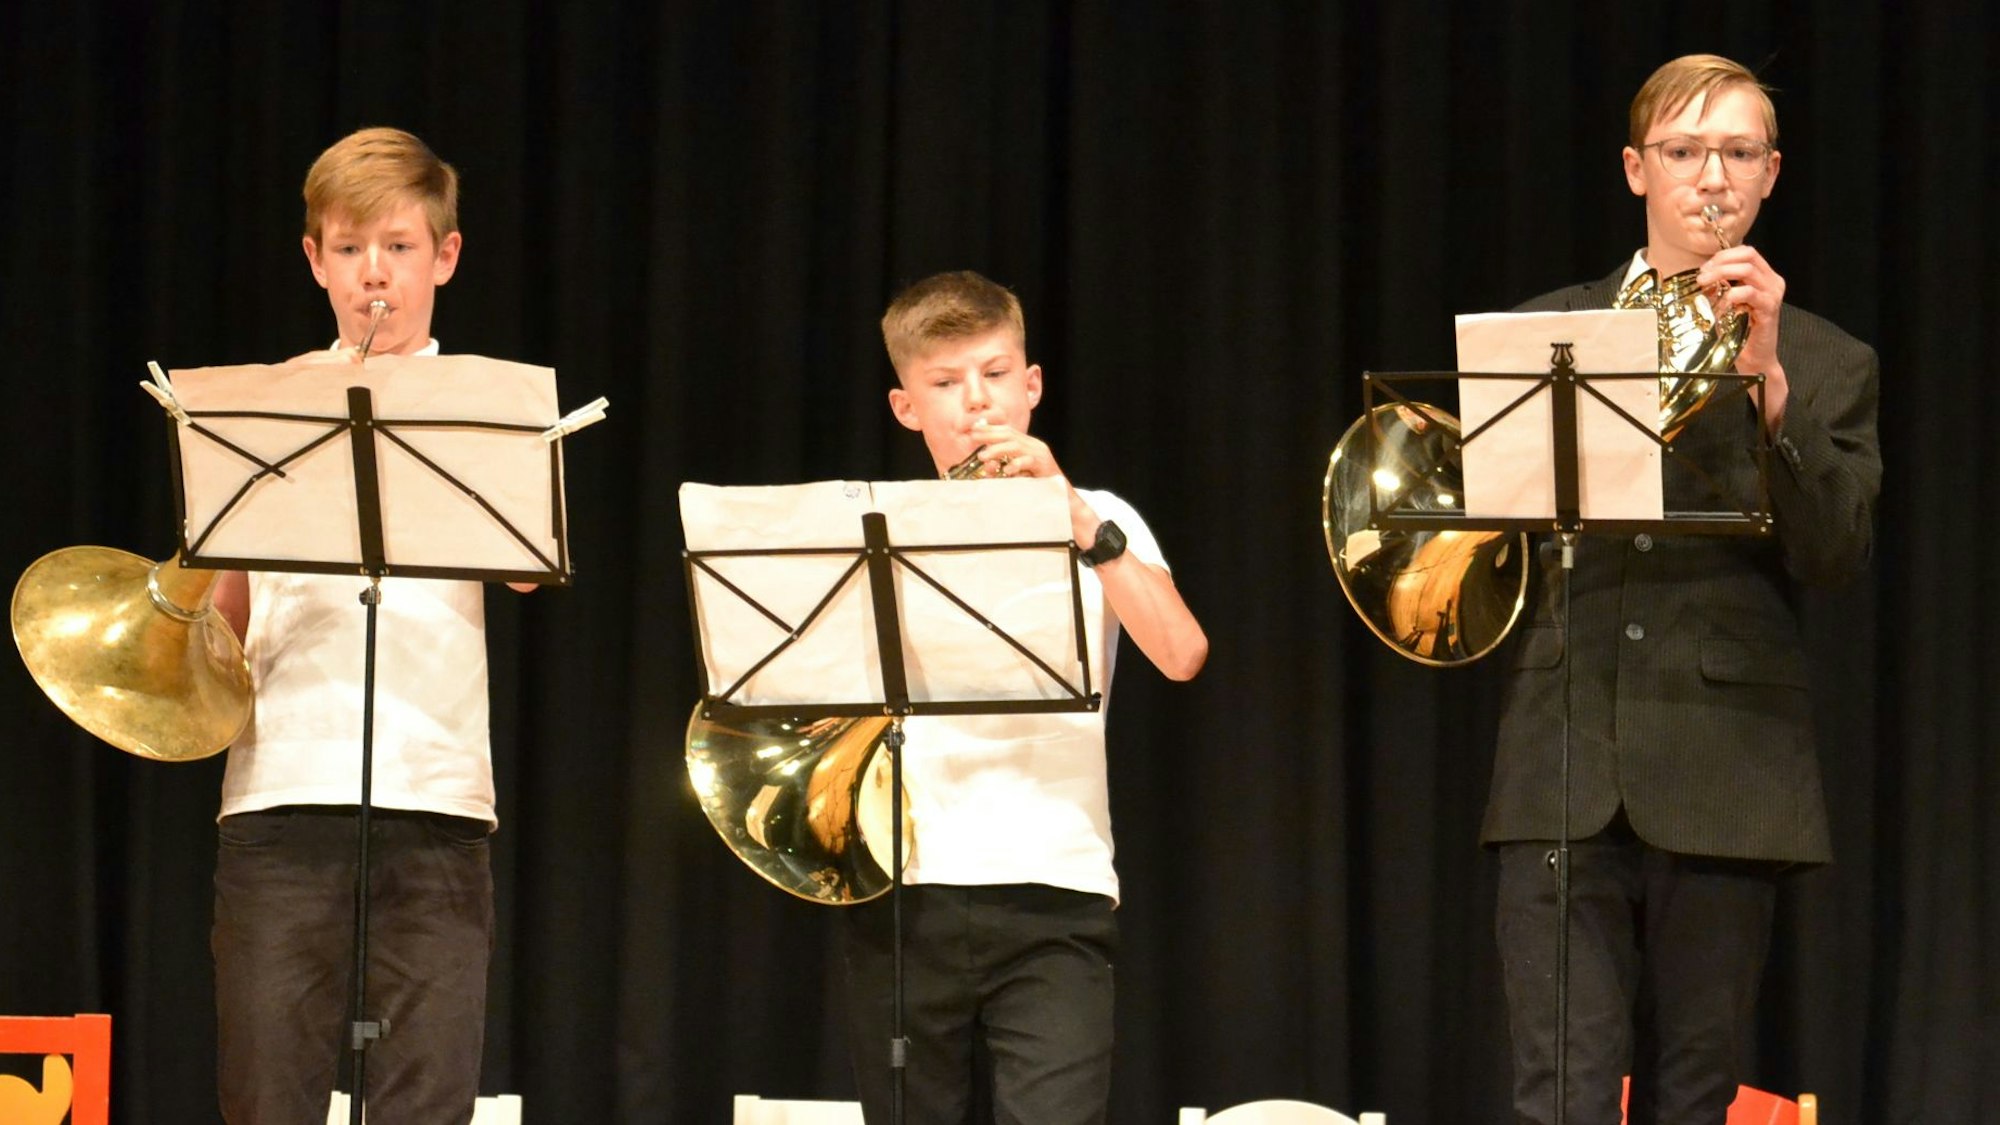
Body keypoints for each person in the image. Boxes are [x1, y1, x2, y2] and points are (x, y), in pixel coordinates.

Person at [1481, 56, 1882, 1125]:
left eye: (1736, 153)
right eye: (1682, 151)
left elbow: (1834, 553)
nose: (1710, 176)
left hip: (1723, 763)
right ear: (1633, 170)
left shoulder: (1828, 360)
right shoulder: (1539, 335)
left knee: (1693, 1097)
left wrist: (1769, 390)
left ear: (1769, 175)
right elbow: (1489, 554)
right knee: (1554, 1092)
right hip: (1560, 755)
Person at [208, 126, 529, 1124]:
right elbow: (219, 621)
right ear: (315, 261)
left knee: (427, 1104)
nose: (373, 275)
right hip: (279, 793)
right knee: (267, 1098)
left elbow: (524, 569)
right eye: (349, 250)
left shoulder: (487, 404)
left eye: (396, 246)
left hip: (434, 799)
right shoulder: (254, 408)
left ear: (446, 254)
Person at [837, 270, 1208, 1124]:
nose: (978, 404)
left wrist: (1076, 517)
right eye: (945, 383)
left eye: (997, 374)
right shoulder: (871, 532)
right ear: (905, 408)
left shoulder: (1102, 515)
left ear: (1032, 385)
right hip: (902, 894)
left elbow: (1183, 653)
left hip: (1057, 893)